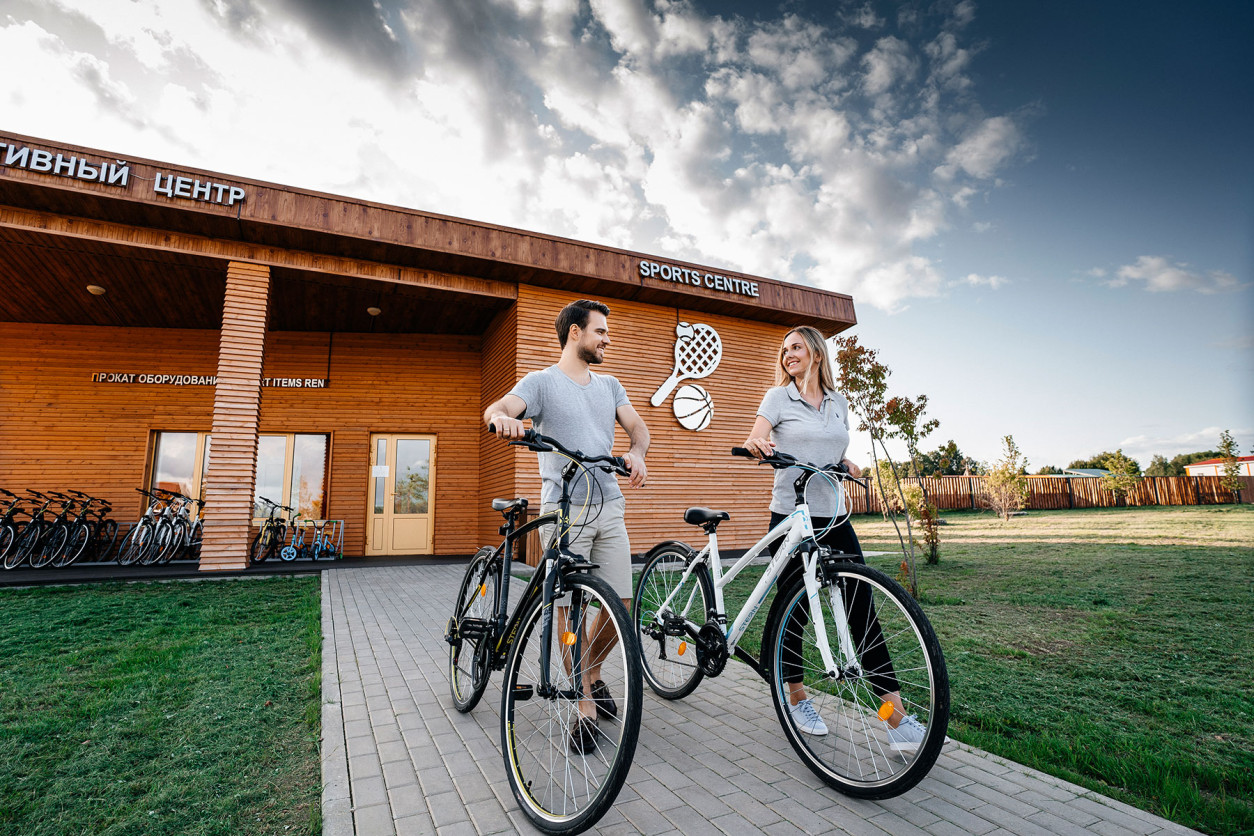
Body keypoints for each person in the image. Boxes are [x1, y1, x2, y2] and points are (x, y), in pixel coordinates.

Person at [742, 325, 925, 751]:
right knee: (796, 612)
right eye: (784, 349)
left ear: (817, 354)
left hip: (834, 518)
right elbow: (758, 432)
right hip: (792, 517)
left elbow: (832, 446)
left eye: (796, 347)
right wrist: (756, 443)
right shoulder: (777, 397)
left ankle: (894, 719)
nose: (788, 355)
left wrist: (846, 462)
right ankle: (796, 698)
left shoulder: (839, 402)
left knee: (862, 610)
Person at [483, 298, 649, 753]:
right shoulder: (541, 383)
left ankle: (588, 675)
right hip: (564, 512)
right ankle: (584, 705)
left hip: (609, 506)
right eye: (600, 332)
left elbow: (639, 428)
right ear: (575, 333)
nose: (607, 340)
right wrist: (501, 419)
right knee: (566, 610)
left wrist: (636, 452)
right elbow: (499, 407)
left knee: (622, 605)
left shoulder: (610, 385)